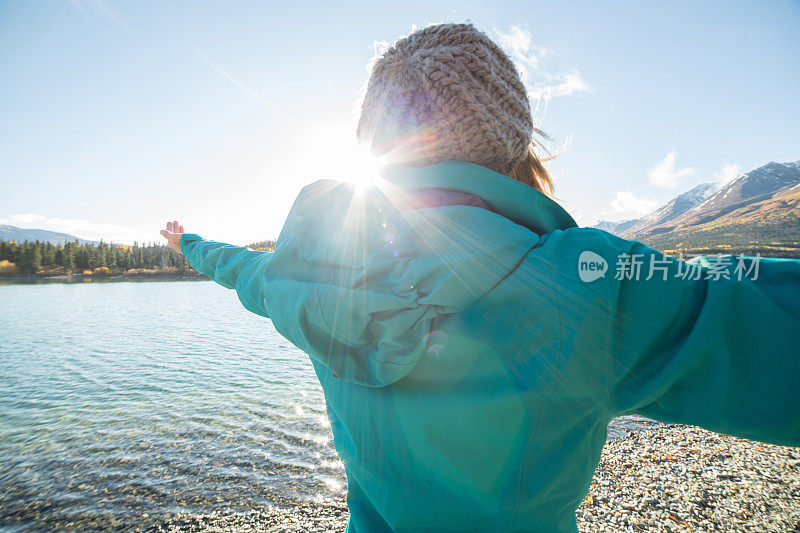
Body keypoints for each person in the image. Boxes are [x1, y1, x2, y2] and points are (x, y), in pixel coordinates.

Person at [160, 23, 800, 533]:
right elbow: (755, 319)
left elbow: (243, 268)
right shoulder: (584, 284)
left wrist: (187, 242)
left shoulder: (311, 278)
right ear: (514, 143)